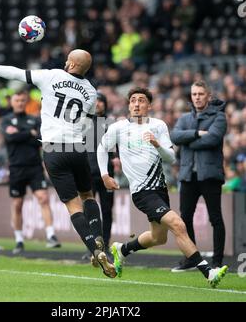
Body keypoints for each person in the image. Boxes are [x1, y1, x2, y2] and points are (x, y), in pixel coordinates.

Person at [0, 50, 116, 278]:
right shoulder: (92, 92)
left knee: (73, 206)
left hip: (53, 149)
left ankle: (94, 249)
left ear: (71, 63)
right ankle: (99, 238)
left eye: (68, 60)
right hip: (76, 147)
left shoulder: (52, 76)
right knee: (88, 196)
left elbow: (15, 73)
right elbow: (90, 122)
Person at [97, 87, 228, 288]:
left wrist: (157, 145)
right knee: (178, 224)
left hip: (160, 189)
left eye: (141, 100)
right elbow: (101, 148)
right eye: (133, 100)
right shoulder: (119, 128)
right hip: (141, 192)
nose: (137, 104)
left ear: (149, 105)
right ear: (129, 105)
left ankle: (122, 249)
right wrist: (105, 175)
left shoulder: (158, 125)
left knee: (158, 238)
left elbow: (171, 157)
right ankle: (208, 272)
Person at [170, 80, 227, 270]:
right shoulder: (185, 118)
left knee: (215, 218)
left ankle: (217, 262)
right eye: (194, 94)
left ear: (208, 96)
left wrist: (189, 140)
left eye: (201, 94)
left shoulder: (219, 117)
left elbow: (213, 139)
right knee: (184, 218)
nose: (197, 97)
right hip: (188, 175)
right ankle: (192, 259)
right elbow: (174, 136)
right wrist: (197, 133)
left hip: (210, 175)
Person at [1, 90, 61, 254]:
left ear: (25, 102)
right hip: (16, 168)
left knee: (43, 198)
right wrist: (28, 133)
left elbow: (39, 139)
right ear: (12, 102)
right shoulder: (6, 120)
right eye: (17, 100)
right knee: (17, 204)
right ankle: (19, 240)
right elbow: (10, 138)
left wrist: (21, 133)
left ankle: (51, 235)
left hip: (34, 167)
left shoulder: (34, 119)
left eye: (22, 100)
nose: (20, 103)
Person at [82, 92, 115, 261]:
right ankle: (93, 247)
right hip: (87, 173)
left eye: (101, 101)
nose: (98, 104)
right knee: (89, 211)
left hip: (107, 174)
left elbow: (116, 148)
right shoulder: (84, 123)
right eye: (95, 101)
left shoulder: (112, 123)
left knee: (107, 210)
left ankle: (106, 245)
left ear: (105, 104)